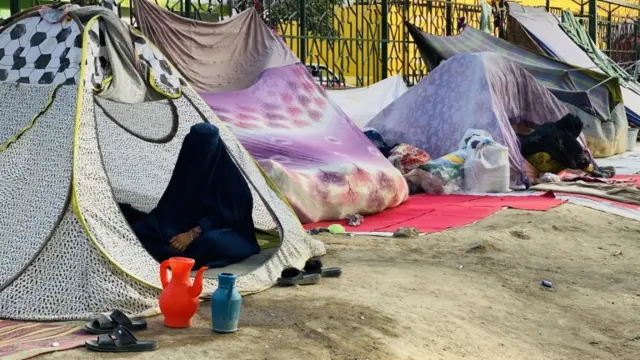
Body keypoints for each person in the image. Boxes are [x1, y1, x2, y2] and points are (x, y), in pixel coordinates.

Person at [128, 123, 260, 269]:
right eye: (196, 147)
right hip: (185, 222)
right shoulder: (188, 166)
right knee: (143, 229)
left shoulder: (230, 178)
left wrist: (192, 234)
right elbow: (172, 206)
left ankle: (177, 251)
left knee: (211, 243)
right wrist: (170, 228)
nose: (201, 153)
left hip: (222, 229)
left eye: (206, 147)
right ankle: (174, 248)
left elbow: (229, 216)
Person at [519, 113, 592, 174]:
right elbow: (580, 160)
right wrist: (587, 165)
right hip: (540, 163)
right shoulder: (566, 138)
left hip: (522, 157)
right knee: (566, 163)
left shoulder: (548, 125)